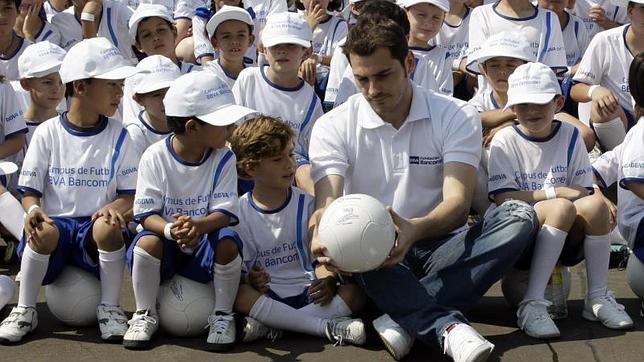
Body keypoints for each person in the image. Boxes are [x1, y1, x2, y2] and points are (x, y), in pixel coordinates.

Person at [308, 17, 539, 362]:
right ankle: (444, 326)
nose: (372, 90)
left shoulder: (456, 113)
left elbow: (459, 204)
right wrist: (319, 234)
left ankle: (403, 316)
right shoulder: (331, 125)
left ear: (409, 63)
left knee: (520, 215)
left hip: (439, 242)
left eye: (383, 75)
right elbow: (326, 204)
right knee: (356, 240)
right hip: (374, 253)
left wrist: (414, 230)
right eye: (362, 79)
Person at [0, 37, 140, 344]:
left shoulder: (119, 134)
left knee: (108, 226)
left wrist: (115, 209)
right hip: (59, 227)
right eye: (112, 85)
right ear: (80, 87)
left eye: (120, 85)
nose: (120, 93)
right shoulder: (48, 132)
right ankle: (25, 310)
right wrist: (34, 211)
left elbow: (130, 195)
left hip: (93, 229)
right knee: (43, 231)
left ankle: (110, 307)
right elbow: (30, 192)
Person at [487, 62, 633, 339]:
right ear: (512, 107)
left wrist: (571, 196)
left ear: (559, 102)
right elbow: (503, 196)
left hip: (562, 228)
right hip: (518, 236)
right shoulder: (505, 139)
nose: (532, 111)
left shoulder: (570, 135)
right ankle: (532, 303)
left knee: (595, 205)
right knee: (562, 206)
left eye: (541, 102)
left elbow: (583, 189)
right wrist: (553, 193)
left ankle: (597, 297)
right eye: (524, 104)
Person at [124, 71, 256, 350]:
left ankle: (223, 314)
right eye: (223, 123)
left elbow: (225, 213)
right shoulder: (154, 156)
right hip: (167, 242)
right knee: (146, 242)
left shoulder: (225, 156)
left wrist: (197, 226)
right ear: (193, 127)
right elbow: (146, 215)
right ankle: (144, 312)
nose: (231, 128)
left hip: (204, 239)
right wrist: (172, 230)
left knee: (229, 241)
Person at [229, 115, 367, 346]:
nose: (289, 165)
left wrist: (329, 281)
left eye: (291, 155)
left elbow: (321, 259)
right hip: (270, 295)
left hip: (309, 294)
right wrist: (253, 279)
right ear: (250, 168)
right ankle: (326, 327)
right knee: (241, 296)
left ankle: (275, 326)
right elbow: (245, 272)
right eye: (277, 159)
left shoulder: (309, 204)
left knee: (356, 294)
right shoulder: (239, 212)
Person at [232, 12, 323, 195]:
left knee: (305, 171)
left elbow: (312, 150)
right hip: (248, 161)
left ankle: (322, 211)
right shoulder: (248, 78)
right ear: (264, 50)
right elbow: (231, 129)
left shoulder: (310, 99)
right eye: (275, 46)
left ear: (307, 51)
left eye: (291, 45)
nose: (282, 51)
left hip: (288, 166)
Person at [592, 51, 644, 314]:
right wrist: (597, 196)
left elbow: (592, 170)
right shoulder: (641, 133)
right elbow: (637, 182)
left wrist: (595, 188)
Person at [570, 0, 644, 151]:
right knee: (603, 107)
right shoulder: (604, 40)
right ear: (630, 11)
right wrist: (594, 91)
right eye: (643, 9)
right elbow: (575, 89)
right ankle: (619, 158)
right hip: (621, 119)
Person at [124, 54, 181, 156]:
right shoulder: (135, 134)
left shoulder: (192, 121)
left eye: (170, 91)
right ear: (139, 99)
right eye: (157, 95)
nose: (165, 100)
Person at [17, 41, 65, 147]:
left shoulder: (72, 125)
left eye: (62, 82)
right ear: (25, 84)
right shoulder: (14, 130)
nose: (57, 89)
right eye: (47, 82)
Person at [401, 0, 453, 96]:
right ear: (404, 14)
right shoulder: (391, 51)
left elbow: (444, 98)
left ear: (443, 20)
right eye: (421, 15)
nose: (428, 23)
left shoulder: (443, 57)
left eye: (436, 17)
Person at [203, 5, 255, 89]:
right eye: (226, 36)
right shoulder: (207, 75)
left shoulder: (256, 73)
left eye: (241, 35)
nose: (234, 42)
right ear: (214, 42)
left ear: (251, 40)